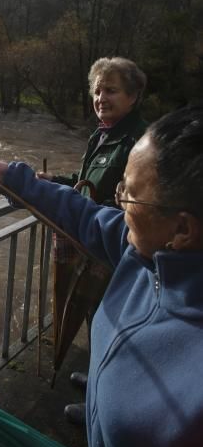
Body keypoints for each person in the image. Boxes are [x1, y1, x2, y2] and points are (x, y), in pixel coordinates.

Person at [0, 104, 203, 447]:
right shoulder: (144, 254)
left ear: (182, 228)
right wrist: (14, 180)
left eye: (129, 193)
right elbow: (85, 216)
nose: (118, 200)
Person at [41, 57, 148, 425]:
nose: (102, 97)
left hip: (116, 250)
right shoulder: (103, 135)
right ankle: (98, 380)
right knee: (94, 315)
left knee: (114, 322)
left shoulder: (138, 142)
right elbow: (85, 179)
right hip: (94, 244)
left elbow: (131, 199)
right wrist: (54, 179)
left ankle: (104, 411)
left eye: (112, 90)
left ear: (133, 96)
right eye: (98, 90)